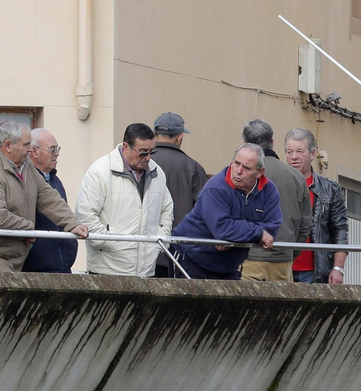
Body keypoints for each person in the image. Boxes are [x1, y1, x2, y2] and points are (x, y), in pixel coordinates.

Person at [0, 120, 88, 272]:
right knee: (8, 287)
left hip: (11, 254)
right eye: (26, 144)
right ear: (8, 146)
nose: (31, 149)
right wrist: (28, 228)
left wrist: (72, 223)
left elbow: (47, 196)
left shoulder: (25, 165)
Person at [74, 122, 173, 277]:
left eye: (152, 152)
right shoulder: (99, 172)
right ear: (126, 147)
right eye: (143, 152)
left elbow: (167, 210)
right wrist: (112, 244)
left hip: (146, 271)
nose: (148, 158)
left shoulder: (157, 172)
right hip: (107, 270)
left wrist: (158, 242)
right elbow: (85, 215)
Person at [170, 145, 282, 280]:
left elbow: (271, 228)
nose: (238, 171)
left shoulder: (269, 191)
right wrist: (257, 233)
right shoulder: (215, 188)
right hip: (191, 258)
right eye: (236, 163)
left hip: (228, 266)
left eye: (246, 168)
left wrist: (232, 239)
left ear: (260, 172)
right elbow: (223, 229)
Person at [238, 119, 311, 281]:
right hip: (282, 260)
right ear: (272, 142)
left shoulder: (237, 174)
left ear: (244, 143)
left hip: (248, 258)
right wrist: (291, 251)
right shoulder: (297, 177)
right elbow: (306, 223)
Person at [283, 129, 348, 284]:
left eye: (300, 151)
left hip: (315, 271)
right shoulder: (276, 185)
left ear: (312, 154)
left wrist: (338, 268)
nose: (294, 157)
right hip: (281, 267)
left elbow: (340, 229)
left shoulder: (330, 188)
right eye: (289, 152)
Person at [150, 112, 208, 277]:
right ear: (180, 137)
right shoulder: (194, 168)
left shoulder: (142, 162)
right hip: (178, 253)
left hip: (143, 248)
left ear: (154, 134)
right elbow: (204, 211)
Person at [23, 129, 78, 274]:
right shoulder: (24, 181)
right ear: (34, 151)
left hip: (63, 268)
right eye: (52, 149)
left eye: (57, 149)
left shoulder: (55, 181)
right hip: (34, 270)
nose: (57, 154)